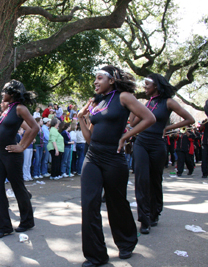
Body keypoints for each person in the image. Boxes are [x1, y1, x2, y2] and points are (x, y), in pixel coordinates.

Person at [77, 65, 156, 267]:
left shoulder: (124, 97)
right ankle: (96, 256)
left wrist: (126, 136)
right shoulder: (97, 102)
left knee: (117, 203)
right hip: (93, 156)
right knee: (89, 204)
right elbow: (89, 138)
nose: (95, 82)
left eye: (99, 78)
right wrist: (81, 119)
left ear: (111, 80)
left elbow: (149, 118)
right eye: (94, 79)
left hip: (114, 158)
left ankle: (126, 242)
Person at [130, 74, 194, 235]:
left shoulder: (168, 102)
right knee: (141, 179)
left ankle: (155, 212)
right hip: (141, 143)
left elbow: (190, 119)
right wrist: (134, 105)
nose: (144, 87)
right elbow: (133, 123)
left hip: (157, 144)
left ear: (156, 86)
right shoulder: (147, 103)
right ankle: (144, 219)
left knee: (155, 180)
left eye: (147, 85)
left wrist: (168, 128)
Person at [0, 79, 38, 239]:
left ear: (12, 93)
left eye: (4, 91)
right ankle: (4, 227)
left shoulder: (20, 108)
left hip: (13, 154)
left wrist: (22, 146)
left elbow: (34, 127)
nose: (2, 94)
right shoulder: (6, 110)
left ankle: (27, 221)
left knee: (18, 188)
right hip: (1, 154)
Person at [201, 102, 208, 178]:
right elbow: (200, 129)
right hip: (205, 142)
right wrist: (203, 124)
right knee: (204, 158)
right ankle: (204, 173)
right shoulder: (205, 122)